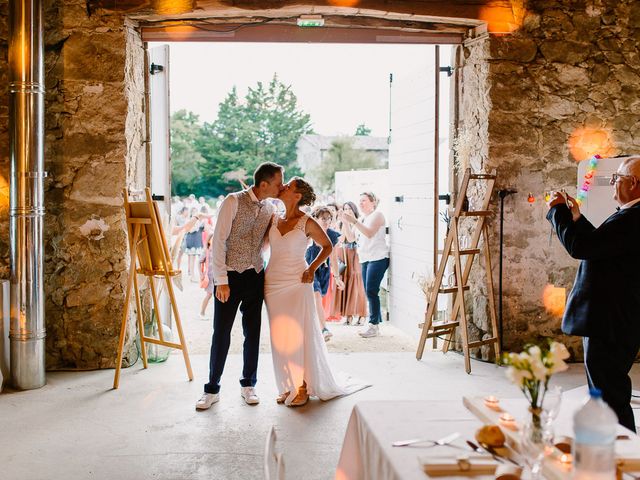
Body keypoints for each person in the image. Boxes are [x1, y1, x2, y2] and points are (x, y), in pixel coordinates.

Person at [546, 156, 640, 432]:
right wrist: (578, 218)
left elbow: (581, 248)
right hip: (616, 319)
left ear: (633, 183)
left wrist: (558, 212)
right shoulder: (630, 216)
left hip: (610, 320)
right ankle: (613, 451)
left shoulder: (633, 218)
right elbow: (602, 247)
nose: (613, 184)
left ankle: (625, 456)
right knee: (605, 393)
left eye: (617, 178)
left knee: (609, 397)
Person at [265, 177, 369, 407]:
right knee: (280, 336)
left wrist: (311, 268)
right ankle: (288, 384)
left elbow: (328, 247)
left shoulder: (307, 222)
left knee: (298, 334)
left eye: (288, 186)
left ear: (298, 195)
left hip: (297, 281)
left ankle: (302, 386)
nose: (283, 188)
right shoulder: (274, 218)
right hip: (272, 283)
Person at [196, 162, 284, 411]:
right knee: (221, 333)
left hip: (255, 275)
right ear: (264, 183)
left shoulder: (270, 208)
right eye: (279, 182)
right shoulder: (232, 201)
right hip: (229, 278)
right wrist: (221, 280)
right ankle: (211, 389)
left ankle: (249, 384)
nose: (282, 187)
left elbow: (265, 241)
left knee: (253, 333)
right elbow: (219, 241)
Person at [342, 192, 389, 338]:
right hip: (365, 259)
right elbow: (350, 238)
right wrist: (345, 222)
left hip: (378, 257)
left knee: (371, 290)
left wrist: (354, 221)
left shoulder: (378, 215)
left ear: (373, 202)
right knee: (369, 291)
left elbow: (369, 233)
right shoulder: (362, 218)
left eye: (364, 200)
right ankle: (374, 323)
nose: (361, 203)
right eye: (360, 201)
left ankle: (373, 325)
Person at [305, 206, 344, 341]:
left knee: (318, 299)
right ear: (315, 219)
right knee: (316, 296)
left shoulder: (332, 235)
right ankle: (324, 329)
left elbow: (333, 258)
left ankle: (314, 327)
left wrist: (337, 277)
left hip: (324, 270)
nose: (326, 221)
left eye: (329, 218)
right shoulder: (309, 233)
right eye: (323, 218)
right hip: (309, 269)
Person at [335, 201, 368, 325]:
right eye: (345, 208)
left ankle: (362, 314)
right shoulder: (344, 223)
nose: (347, 211)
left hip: (355, 254)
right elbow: (342, 239)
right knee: (348, 283)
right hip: (345, 254)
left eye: (349, 208)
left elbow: (350, 238)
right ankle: (349, 315)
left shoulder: (357, 222)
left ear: (354, 210)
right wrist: (343, 222)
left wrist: (346, 222)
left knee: (357, 285)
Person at [184, 207, 205, 282]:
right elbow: (188, 230)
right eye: (193, 212)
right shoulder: (188, 220)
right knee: (192, 258)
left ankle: (201, 275)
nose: (195, 213)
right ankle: (192, 276)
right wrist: (196, 226)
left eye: (196, 212)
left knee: (200, 259)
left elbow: (204, 229)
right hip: (191, 240)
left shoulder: (201, 221)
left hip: (198, 240)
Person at [198, 234, 214, 321]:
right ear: (209, 241)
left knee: (216, 295)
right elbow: (199, 261)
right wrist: (201, 274)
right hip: (209, 276)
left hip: (217, 276)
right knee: (209, 294)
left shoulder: (219, 250)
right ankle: (202, 312)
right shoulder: (206, 251)